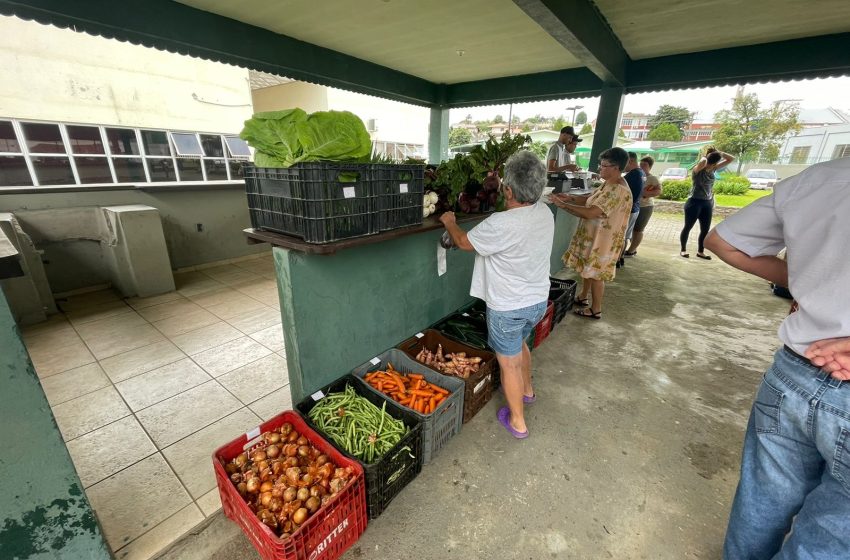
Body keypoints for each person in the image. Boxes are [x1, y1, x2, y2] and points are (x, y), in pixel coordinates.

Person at [704, 157, 850, 559]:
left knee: (761, 500)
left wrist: (809, 280)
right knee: (831, 536)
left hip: (793, 372)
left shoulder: (820, 177)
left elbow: (721, 241)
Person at [439, 151, 553, 439]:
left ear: (509, 190)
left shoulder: (501, 223)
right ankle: (527, 391)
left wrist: (450, 222)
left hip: (508, 308)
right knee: (522, 345)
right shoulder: (544, 213)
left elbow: (464, 242)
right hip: (537, 301)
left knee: (508, 363)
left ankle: (517, 421)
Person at [551, 147, 632, 319]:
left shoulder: (618, 190)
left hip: (603, 241)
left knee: (596, 275)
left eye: (604, 166)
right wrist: (570, 198)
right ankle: (583, 296)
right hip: (594, 237)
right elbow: (589, 200)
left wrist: (563, 205)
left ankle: (596, 309)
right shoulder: (609, 183)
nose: (600, 168)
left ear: (616, 168)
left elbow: (591, 212)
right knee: (588, 269)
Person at [680, 147, 734, 259]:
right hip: (694, 202)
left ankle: (700, 251)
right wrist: (706, 156)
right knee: (688, 227)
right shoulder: (698, 169)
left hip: (707, 203)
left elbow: (731, 159)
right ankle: (683, 250)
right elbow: (703, 162)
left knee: (705, 229)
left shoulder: (714, 168)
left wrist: (720, 152)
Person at [625, 156, 662, 256]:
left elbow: (658, 191)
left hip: (645, 207)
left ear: (650, 166)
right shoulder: (637, 174)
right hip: (634, 206)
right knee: (630, 229)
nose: (642, 166)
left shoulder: (652, 178)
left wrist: (644, 194)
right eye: (641, 164)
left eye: (644, 165)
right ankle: (628, 248)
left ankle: (632, 250)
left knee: (638, 229)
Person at [617, 152, 645, 268]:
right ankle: (621, 258)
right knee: (625, 235)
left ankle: (617, 259)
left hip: (629, 209)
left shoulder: (633, 175)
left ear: (631, 161)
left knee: (621, 236)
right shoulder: (641, 173)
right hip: (635, 208)